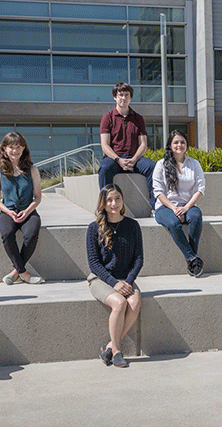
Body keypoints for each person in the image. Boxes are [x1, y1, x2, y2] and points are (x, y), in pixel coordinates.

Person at [86, 184, 143, 368]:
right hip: (101, 279)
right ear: (103, 203)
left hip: (126, 279)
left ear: (122, 200)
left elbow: (139, 259)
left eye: (117, 198)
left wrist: (127, 281)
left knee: (134, 303)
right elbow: (94, 263)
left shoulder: (132, 226)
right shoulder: (94, 228)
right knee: (120, 302)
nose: (114, 203)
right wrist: (114, 283)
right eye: (109, 200)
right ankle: (117, 351)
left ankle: (109, 346)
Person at [0, 132, 44, 285]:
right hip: (7, 212)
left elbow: (38, 197)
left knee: (32, 234)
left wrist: (27, 211)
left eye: (19, 147)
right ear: (5, 149)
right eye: (11, 147)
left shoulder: (32, 169)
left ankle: (16, 272)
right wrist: (8, 211)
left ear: (23, 148)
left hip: (28, 211)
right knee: (7, 234)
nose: (15, 151)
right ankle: (23, 272)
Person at [153, 130, 206, 277]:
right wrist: (174, 209)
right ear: (170, 145)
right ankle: (192, 259)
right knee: (173, 223)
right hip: (165, 207)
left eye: (182, 142)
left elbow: (200, 189)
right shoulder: (161, 164)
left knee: (196, 217)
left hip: (188, 205)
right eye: (176, 142)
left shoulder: (194, 164)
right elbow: (158, 192)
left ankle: (192, 258)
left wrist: (186, 207)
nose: (179, 145)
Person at [97, 82, 156, 207]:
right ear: (115, 97)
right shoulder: (107, 118)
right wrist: (118, 159)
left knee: (152, 167)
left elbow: (143, 144)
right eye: (120, 95)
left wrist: (134, 159)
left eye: (126, 95)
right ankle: (105, 206)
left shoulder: (138, 118)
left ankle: (155, 206)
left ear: (130, 98)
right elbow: (105, 145)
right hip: (114, 159)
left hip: (134, 158)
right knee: (104, 168)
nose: (123, 98)